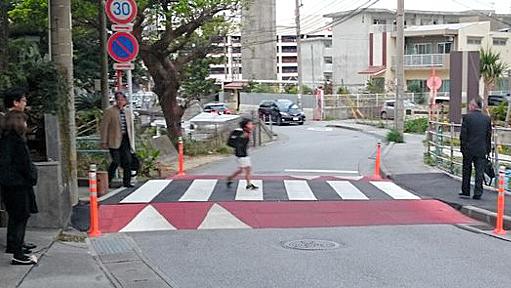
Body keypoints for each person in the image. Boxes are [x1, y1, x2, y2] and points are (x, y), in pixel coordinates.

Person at [0, 109, 39, 265]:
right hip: (19, 184)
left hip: (9, 185)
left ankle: (17, 247)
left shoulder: (5, 140)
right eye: (24, 121)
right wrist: (32, 176)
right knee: (21, 217)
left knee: (16, 217)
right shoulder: (17, 142)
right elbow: (25, 165)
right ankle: (18, 253)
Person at [100, 92, 135, 188]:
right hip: (113, 140)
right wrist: (104, 141)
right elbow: (104, 127)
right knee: (116, 161)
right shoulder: (110, 111)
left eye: (122, 99)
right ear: (116, 100)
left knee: (128, 160)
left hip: (125, 139)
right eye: (118, 99)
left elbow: (130, 127)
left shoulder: (127, 112)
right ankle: (108, 180)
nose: (120, 101)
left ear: (125, 101)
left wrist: (132, 140)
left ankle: (127, 182)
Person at [460, 98, 492, 200]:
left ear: (474, 106)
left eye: (470, 104)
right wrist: (488, 149)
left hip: (469, 149)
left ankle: (466, 191)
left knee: (467, 170)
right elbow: (488, 135)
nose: (469, 106)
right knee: (479, 171)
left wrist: (463, 148)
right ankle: (478, 193)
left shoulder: (467, 117)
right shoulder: (486, 119)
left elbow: (463, 135)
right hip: (481, 149)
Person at [226, 118, 258, 190]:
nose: (251, 125)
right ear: (246, 125)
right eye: (250, 124)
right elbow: (239, 142)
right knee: (247, 169)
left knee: (243, 170)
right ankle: (248, 184)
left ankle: (230, 178)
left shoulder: (246, 131)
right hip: (241, 154)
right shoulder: (243, 133)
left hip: (243, 153)